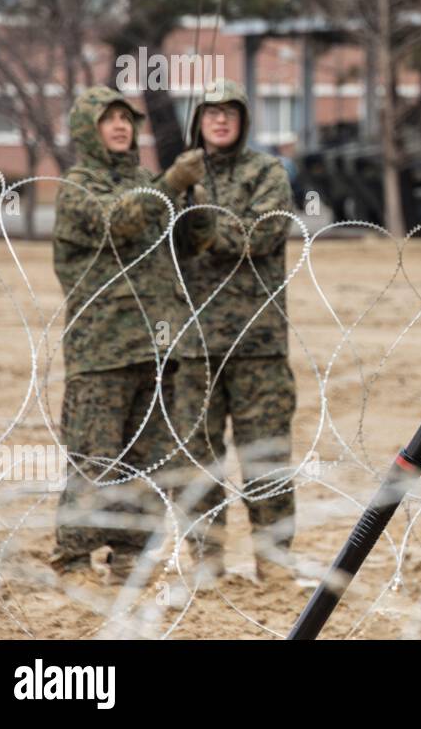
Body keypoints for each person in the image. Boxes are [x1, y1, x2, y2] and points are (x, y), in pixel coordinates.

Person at [51, 85, 206, 582]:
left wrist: (193, 199)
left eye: (126, 118)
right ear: (87, 130)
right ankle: (74, 557)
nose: (121, 126)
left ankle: (129, 556)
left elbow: (189, 244)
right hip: (102, 349)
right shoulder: (78, 185)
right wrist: (168, 185)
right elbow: (117, 222)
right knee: (94, 458)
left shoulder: (148, 181)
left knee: (147, 461)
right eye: (108, 119)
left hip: (157, 345)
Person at [172, 79, 297, 586]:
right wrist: (172, 190)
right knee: (197, 459)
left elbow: (260, 234)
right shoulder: (180, 177)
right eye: (210, 112)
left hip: (257, 342)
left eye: (230, 112)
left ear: (243, 120)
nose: (220, 120)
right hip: (193, 344)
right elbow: (153, 236)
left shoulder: (265, 172)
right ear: (197, 120)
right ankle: (206, 556)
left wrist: (201, 223)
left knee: (265, 456)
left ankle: (274, 558)